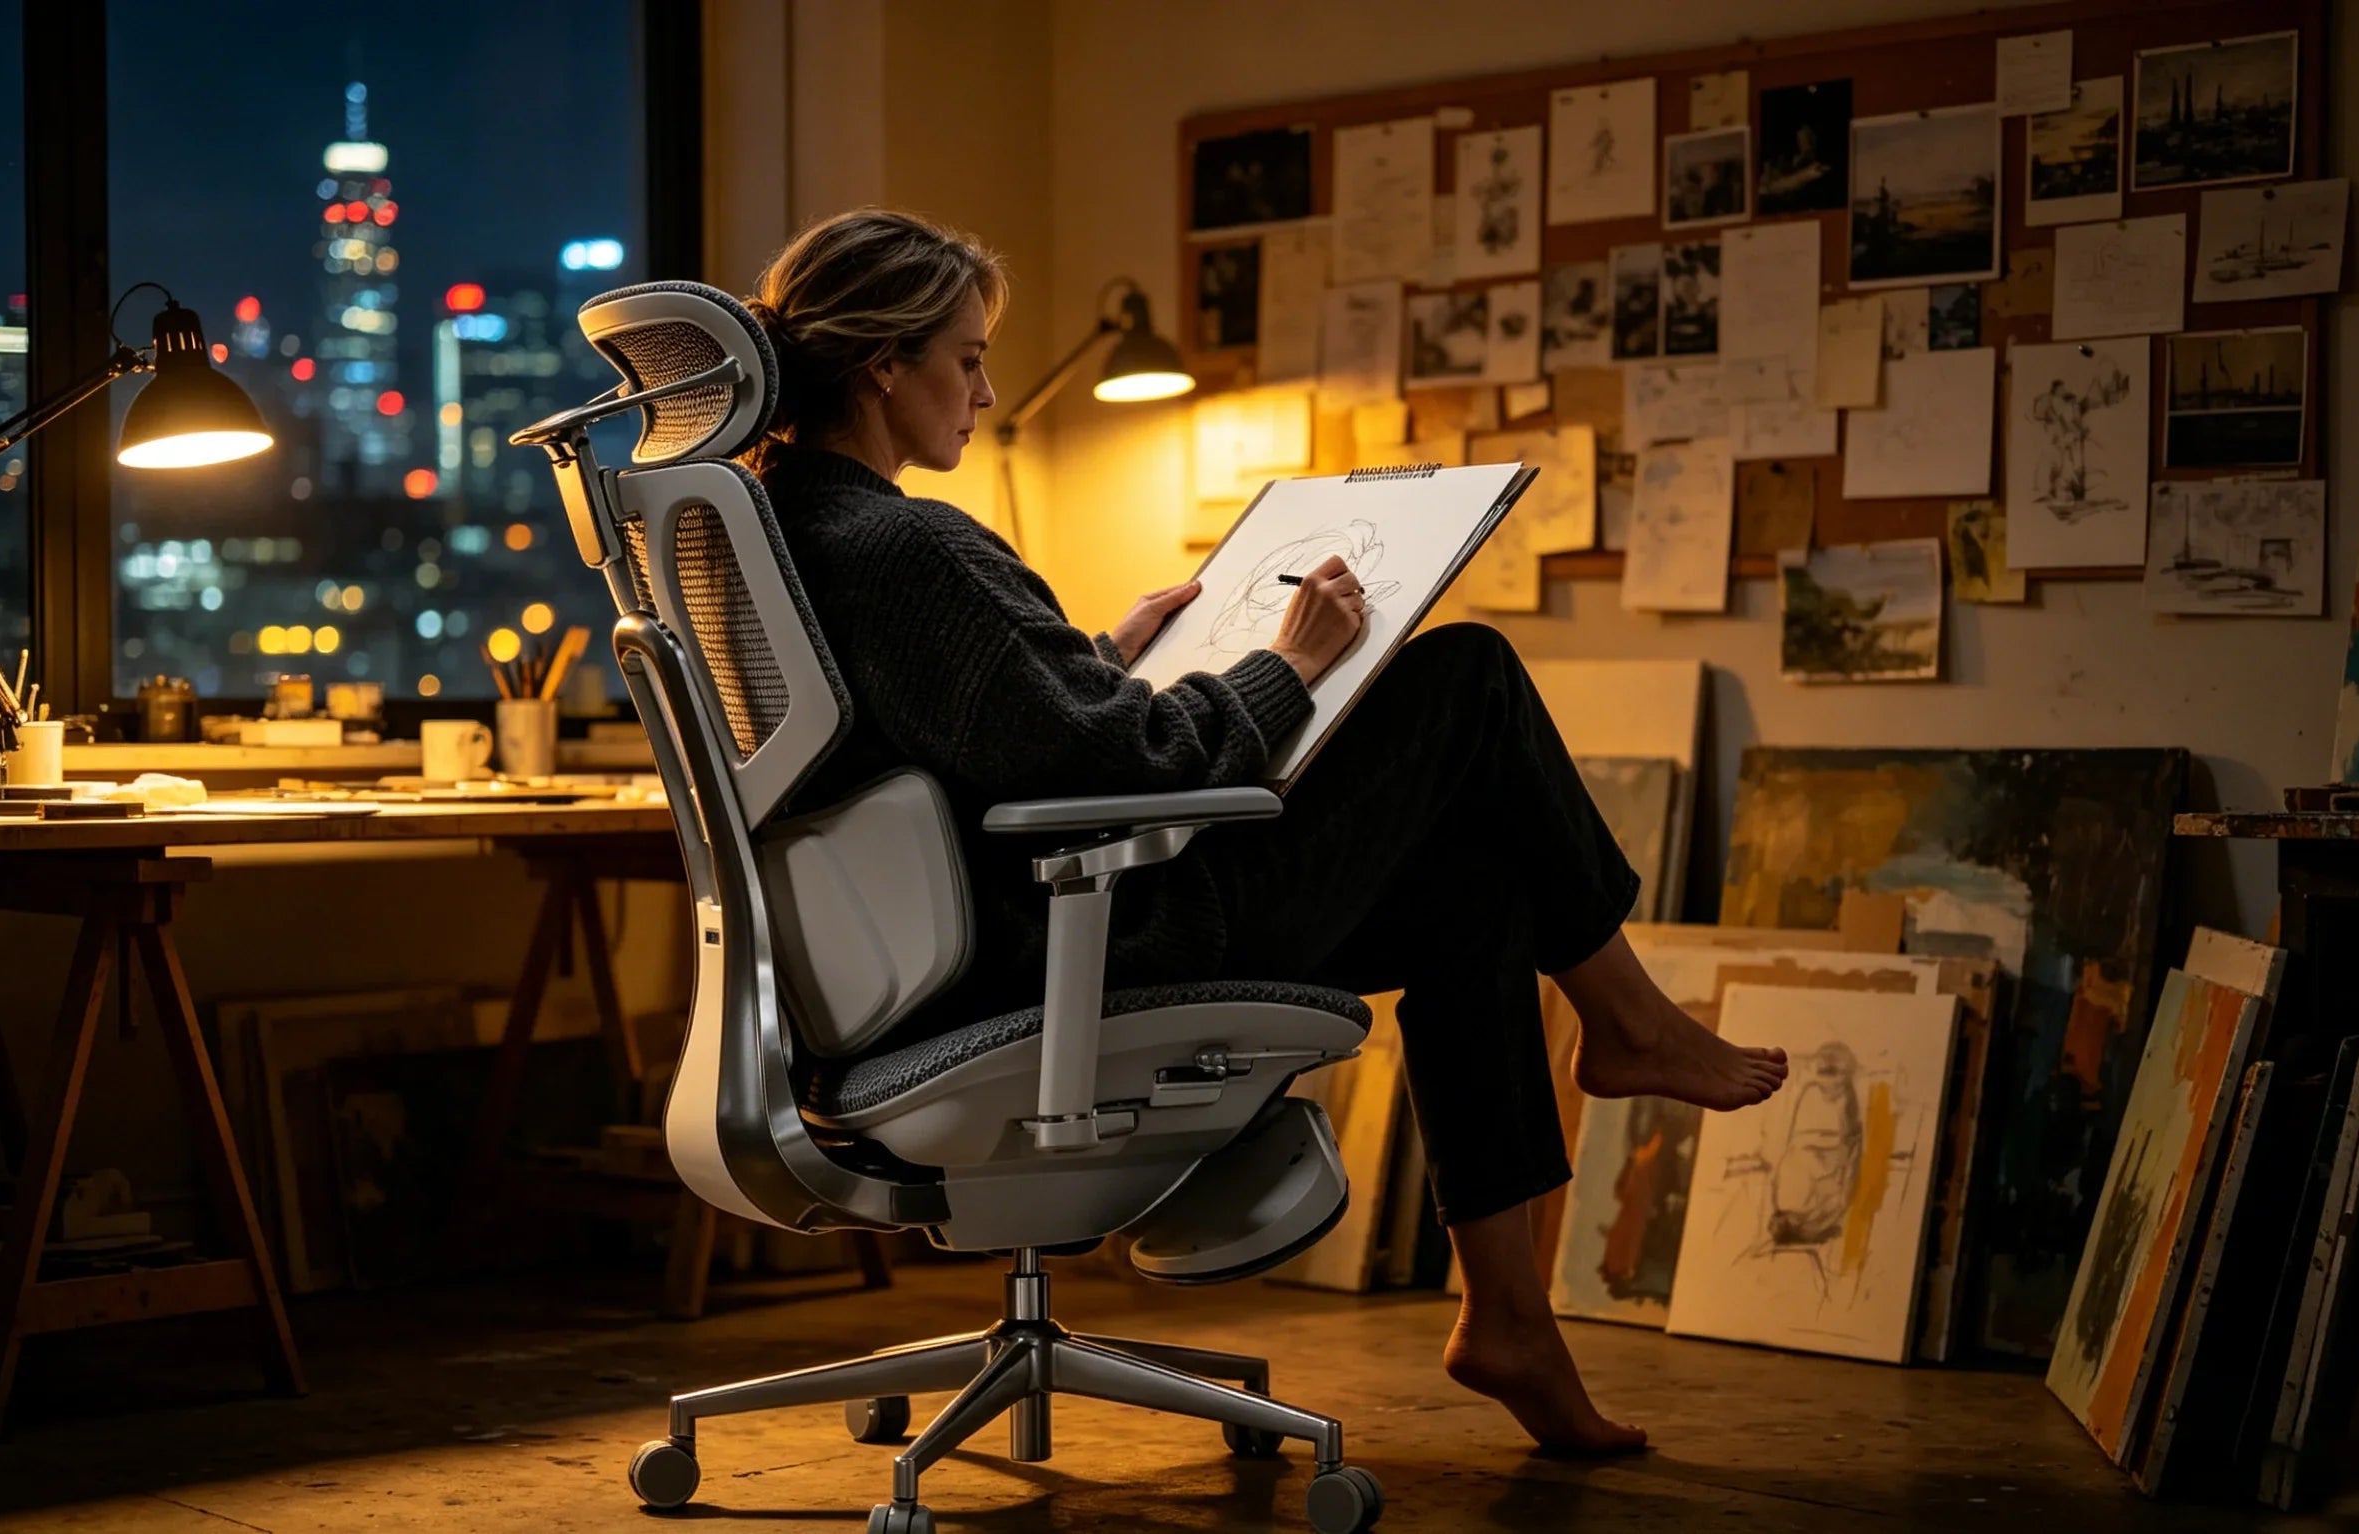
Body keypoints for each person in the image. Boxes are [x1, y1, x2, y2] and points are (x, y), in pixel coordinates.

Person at [739, 208, 1788, 1457]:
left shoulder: (780, 532)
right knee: (1467, 677)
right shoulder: (901, 544)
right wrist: (1286, 666)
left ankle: (1509, 1319)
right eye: (965, 359)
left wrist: (1092, 659)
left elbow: (980, 730)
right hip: (1094, 938)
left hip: (941, 955)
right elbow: (1115, 764)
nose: (984, 388)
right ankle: (1625, 1022)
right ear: (882, 367)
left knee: (1472, 890)